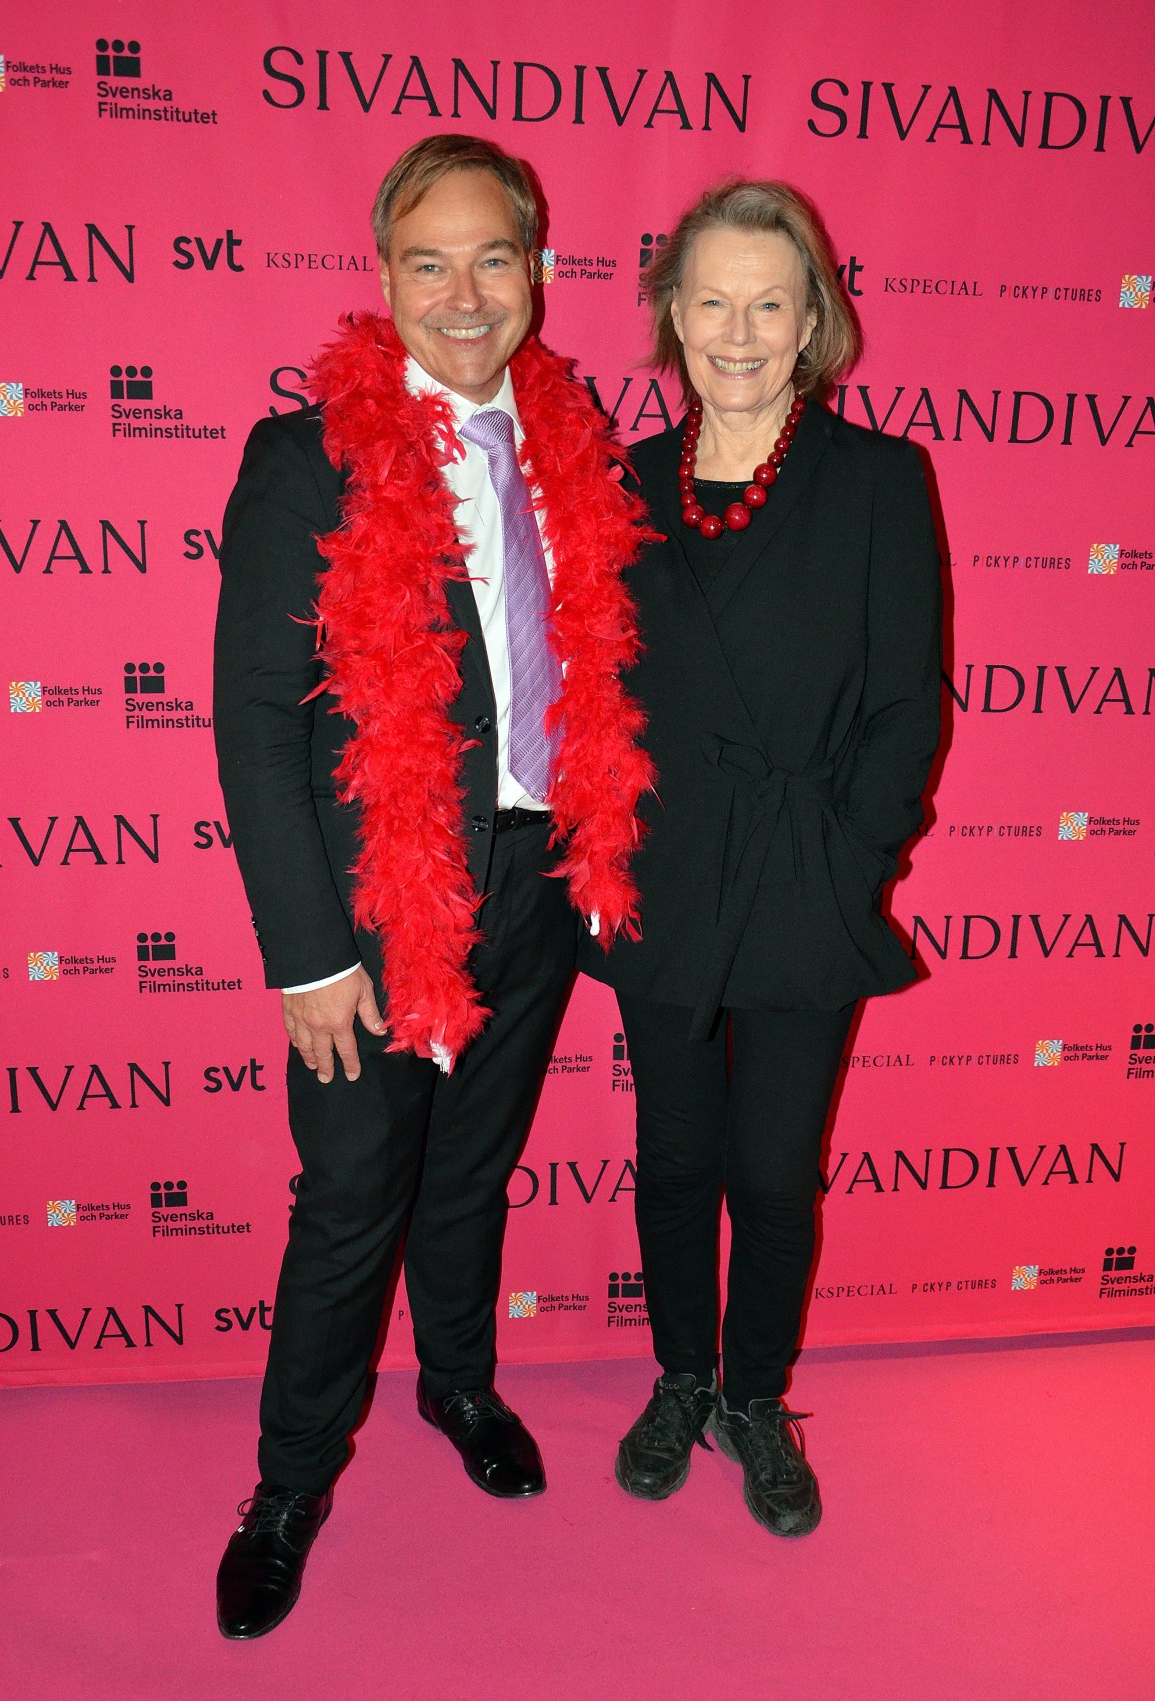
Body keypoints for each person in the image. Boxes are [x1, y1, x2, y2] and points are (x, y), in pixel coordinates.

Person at [212, 133, 653, 1639]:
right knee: (353, 1194)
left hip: (533, 877)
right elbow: (256, 719)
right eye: (428, 263)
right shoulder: (307, 459)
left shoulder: (576, 444)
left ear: (538, 268)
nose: (464, 295)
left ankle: (458, 1382)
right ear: (385, 278)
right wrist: (307, 954)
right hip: (375, 903)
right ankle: (287, 1485)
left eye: (492, 259)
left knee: (472, 1168)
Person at [580, 180, 942, 1537]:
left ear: (812, 322)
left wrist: (851, 860)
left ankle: (755, 1395)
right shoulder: (618, 486)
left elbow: (908, 702)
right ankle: (681, 1375)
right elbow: (589, 688)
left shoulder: (878, 480)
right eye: (713, 302)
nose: (739, 333)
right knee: (675, 1155)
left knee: (776, 1169)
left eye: (769, 305)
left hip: (803, 871)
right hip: (665, 873)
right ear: (673, 316)